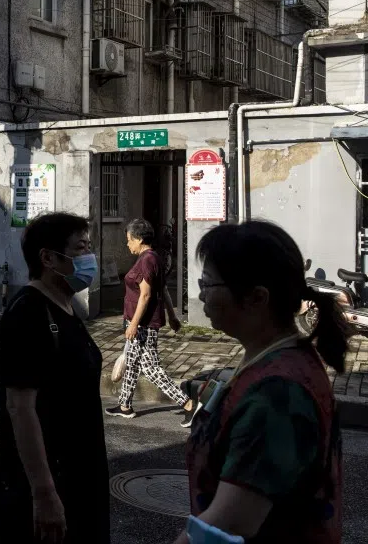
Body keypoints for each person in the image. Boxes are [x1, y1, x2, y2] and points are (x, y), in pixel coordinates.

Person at [174, 220, 347, 544]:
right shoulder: (273, 358)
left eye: (208, 285)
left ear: (257, 298)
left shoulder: (277, 394)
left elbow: (226, 525)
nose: (200, 295)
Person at [0, 212, 109, 544]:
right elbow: (20, 408)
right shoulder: (27, 312)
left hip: (79, 476)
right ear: (48, 258)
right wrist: (43, 492)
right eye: (80, 248)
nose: (89, 257)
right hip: (45, 485)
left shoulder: (67, 307)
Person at [105, 218, 196, 426]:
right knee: (134, 364)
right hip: (141, 322)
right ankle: (125, 405)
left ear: (138, 239)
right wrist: (172, 316)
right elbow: (162, 290)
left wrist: (134, 324)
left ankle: (189, 404)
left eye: (129, 240)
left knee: (151, 368)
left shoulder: (147, 260)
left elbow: (146, 295)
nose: (127, 244)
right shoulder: (153, 258)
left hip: (143, 324)